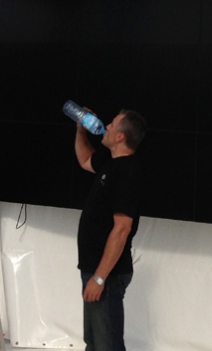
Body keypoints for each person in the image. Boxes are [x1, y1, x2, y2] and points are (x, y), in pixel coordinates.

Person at [73, 107, 147, 351]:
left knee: (107, 344)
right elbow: (85, 160)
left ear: (120, 136)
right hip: (93, 268)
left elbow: (122, 229)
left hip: (107, 275)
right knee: (95, 342)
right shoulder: (109, 163)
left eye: (112, 125)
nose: (106, 127)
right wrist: (80, 129)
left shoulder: (129, 172)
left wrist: (100, 277)